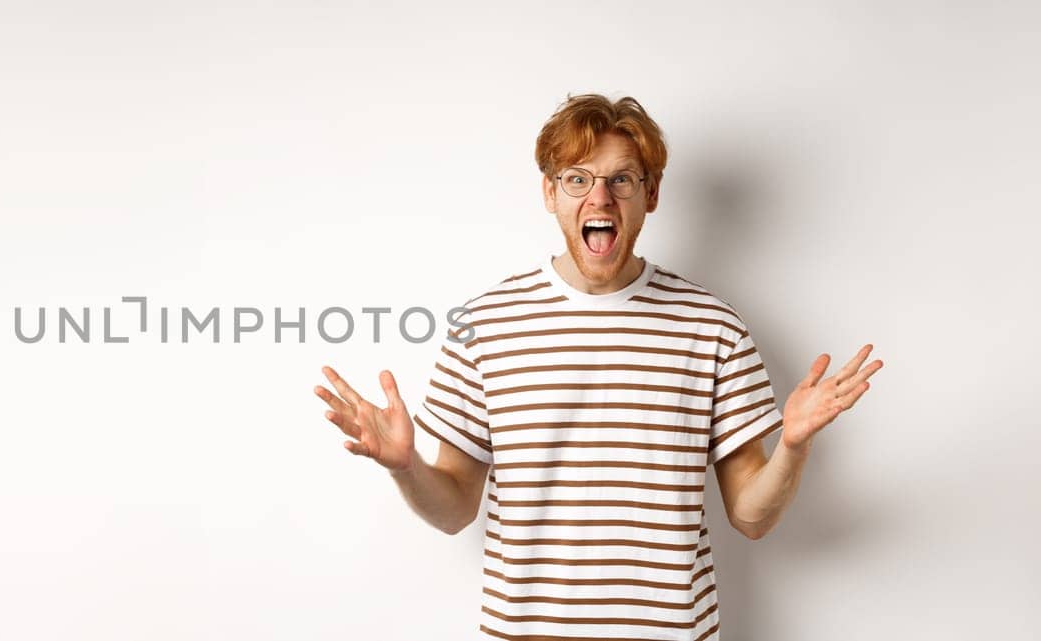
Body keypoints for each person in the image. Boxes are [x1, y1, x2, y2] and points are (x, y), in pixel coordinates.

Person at [313, 93, 883, 640]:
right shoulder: (482, 326)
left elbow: (752, 518)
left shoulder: (714, 327)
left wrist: (793, 445)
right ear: (549, 193)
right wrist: (405, 465)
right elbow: (455, 509)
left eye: (621, 180)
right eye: (577, 179)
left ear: (651, 193)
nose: (600, 198)